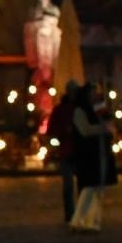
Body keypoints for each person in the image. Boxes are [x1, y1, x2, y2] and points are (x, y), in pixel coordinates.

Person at [68, 83, 117, 232]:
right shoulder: (79, 110)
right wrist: (103, 128)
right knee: (89, 187)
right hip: (87, 154)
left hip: (101, 153)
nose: (95, 95)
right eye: (92, 93)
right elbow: (85, 130)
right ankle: (78, 220)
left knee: (98, 190)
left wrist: (106, 123)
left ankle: (93, 222)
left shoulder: (98, 110)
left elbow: (109, 124)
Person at [46, 81, 80, 223]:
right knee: (68, 185)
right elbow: (52, 129)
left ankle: (80, 213)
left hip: (79, 152)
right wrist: (64, 132)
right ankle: (70, 213)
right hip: (67, 151)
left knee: (82, 186)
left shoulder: (80, 108)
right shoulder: (60, 110)